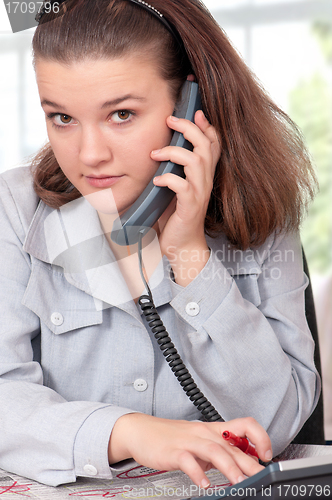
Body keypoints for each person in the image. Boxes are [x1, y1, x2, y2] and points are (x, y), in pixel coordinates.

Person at [0, 0, 320, 489]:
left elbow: (276, 424)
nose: (89, 154)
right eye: (61, 118)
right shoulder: (15, 208)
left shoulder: (261, 214)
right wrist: (129, 433)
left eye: (122, 114)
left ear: (190, 104)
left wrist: (190, 255)